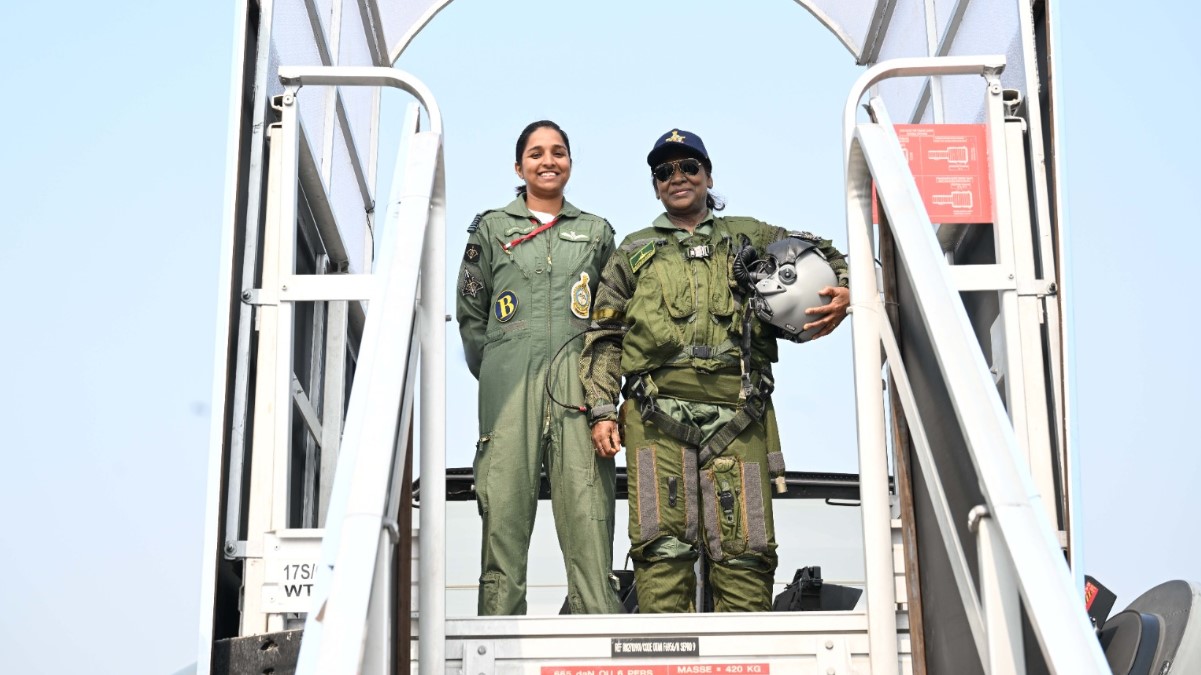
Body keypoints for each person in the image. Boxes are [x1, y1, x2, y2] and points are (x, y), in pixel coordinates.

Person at [579, 128, 850, 613]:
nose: (677, 178)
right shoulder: (633, 252)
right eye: (664, 172)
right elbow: (603, 335)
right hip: (653, 413)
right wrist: (602, 409)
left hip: (738, 413)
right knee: (660, 550)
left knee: (745, 551)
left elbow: (823, 252)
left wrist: (845, 290)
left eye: (689, 167)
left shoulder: (751, 237)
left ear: (707, 175)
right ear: (655, 185)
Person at [456, 120, 623, 615]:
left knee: (591, 520)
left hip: (579, 392)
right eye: (535, 153)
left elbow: (611, 319)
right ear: (519, 166)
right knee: (503, 518)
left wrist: (601, 398)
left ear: (570, 162)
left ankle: (601, 640)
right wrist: (500, 374)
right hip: (509, 394)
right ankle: (495, 647)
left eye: (558, 152)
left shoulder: (596, 233)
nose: (547, 161)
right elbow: (471, 315)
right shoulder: (490, 229)